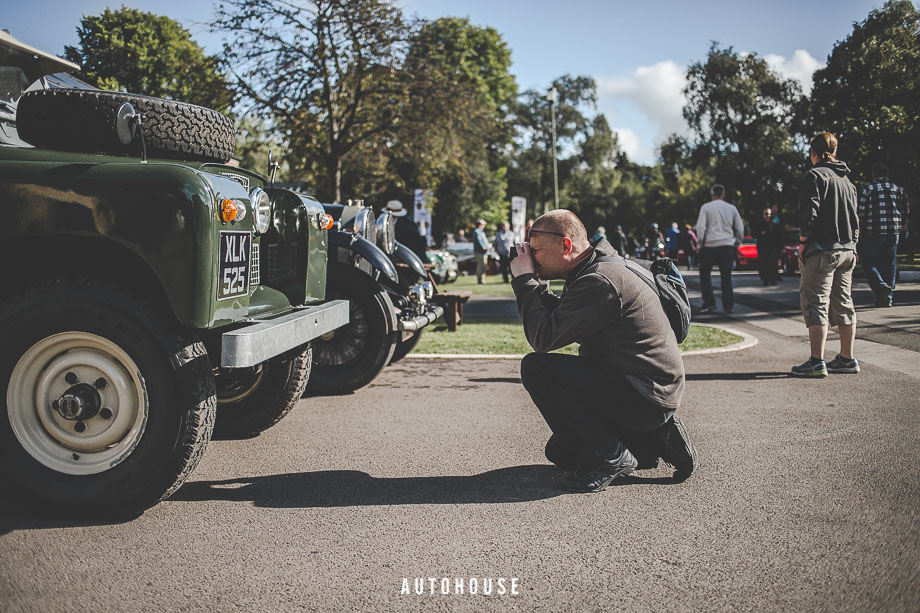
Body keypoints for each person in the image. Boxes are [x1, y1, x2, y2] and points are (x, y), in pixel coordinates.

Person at [509, 209, 696, 492]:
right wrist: (537, 283)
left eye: (535, 251)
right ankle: (654, 439)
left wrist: (525, 281)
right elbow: (561, 317)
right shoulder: (601, 267)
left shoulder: (601, 280)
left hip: (645, 393)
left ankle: (611, 458)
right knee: (562, 452)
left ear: (565, 246)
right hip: (645, 387)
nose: (531, 258)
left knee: (536, 368)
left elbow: (543, 337)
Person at [791, 132, 860, 377]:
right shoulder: (846, 180)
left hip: (822, 249)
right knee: (844, 303)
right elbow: (855, 216)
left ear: (814, 153)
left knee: (816, 303)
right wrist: (853, 243)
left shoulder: (815, 176)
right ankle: (847, 357)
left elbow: (809, 213)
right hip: (847, 249)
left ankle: (816, 360)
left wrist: (802, 242)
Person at [858, 163, 909, 307]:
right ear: (887, 175)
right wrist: (902, 227)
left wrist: (860, 230)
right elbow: (905, 211)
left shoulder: (868, 190)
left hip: (873, 233)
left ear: (874, 174)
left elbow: (860, 212)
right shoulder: (899, 190)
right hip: (893, 233)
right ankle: (888, 298)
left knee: (868, 263)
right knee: (890, 266)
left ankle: (881, 287)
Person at [696, 184, 744, 313]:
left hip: (710, 245)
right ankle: (728, 304)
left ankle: (709, 302)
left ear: (712, 195)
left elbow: (701, 227)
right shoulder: (731, 208)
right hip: (726, 245)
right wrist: (737, 243)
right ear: (723, 194)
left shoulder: (706, 207)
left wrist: (699, 244)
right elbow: (739, 228)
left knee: (705, 274)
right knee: (726, 276)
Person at [754, 207, 783, 286]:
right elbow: (755, 234)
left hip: (772, 248)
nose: (768, 216)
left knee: (772, 264)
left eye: (769, 214)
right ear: (763, 215)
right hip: (762, 247)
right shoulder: (759, 224)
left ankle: (773, 280)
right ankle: (765, 280)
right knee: (763, 264)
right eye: (766, 214)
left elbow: (779, 236)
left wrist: (780, 248)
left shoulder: (774, 224)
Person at [472, 218, 490, 284]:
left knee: (483, 266)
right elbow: (480, 242)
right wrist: (484, 247)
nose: (484, 226)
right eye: (483, 225)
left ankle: (482, 280)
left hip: (483, 252)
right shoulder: (477, 231)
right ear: (479, 224)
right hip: (480, 252)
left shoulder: (481, 231)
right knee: (481, 266)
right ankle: (480, 280)